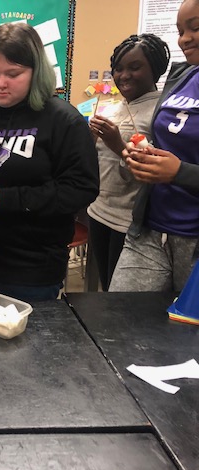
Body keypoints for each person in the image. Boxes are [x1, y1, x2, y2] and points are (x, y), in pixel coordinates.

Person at [0, 22, 99, 303]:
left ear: (36, 73)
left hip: (31, 267)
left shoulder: (63, 120)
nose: (1, 83)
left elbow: (81, 189)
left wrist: (10, 200)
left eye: (13, 74)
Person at [110, 0, 199, 292]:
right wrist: (143, 154)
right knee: (119, 320)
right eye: (180, 30)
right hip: (149, 228)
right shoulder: (183, 76)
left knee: (186, 333)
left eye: (195, 28)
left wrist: (180, 173)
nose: (184, 39)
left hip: (193, 238)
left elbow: (180, 165)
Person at [87, 34, 170, 291]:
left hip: (129, 221)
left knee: (119, 296)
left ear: (154, 69)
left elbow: (155, 173)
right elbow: (100, 163)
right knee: (104, 284)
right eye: (118, 69)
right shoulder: (115, 108)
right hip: (99, 210)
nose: (124, 75)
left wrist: (117, 145)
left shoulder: (161, 112)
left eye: (135, 67)